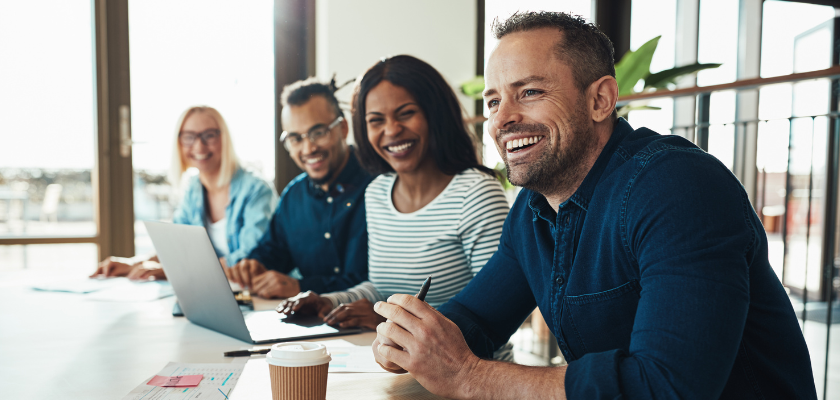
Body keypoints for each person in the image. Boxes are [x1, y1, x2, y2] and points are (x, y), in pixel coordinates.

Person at [369, 11, 817, 400]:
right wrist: (415, 338)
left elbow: (669, 388)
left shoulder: (677, 186)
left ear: (600, 99)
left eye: (529, 92)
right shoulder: (532, 210)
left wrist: (467, 375)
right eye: (492, 101)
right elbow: (476, 319)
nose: (502, 119)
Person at [276, 56, 510, 348]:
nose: (391, 130)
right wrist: (326, 301)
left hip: (468, 379)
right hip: (396, 367)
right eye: (376, 120)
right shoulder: (377, 193)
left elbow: (494, 315)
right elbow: (380, 289)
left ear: (434, 115)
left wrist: (390, 324)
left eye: (406, 113)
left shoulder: (476, 194)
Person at [224, 78, 375, 299]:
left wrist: (302, 287)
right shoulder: (294, 196)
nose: (308, 148)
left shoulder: (380, 187)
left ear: (343, 128)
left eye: (318, 133)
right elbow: (273, 251)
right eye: (295, 138)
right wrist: (254, 265)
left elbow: (379, 283)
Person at [91, 106, 274, 281]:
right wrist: (134, 263)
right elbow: (177, 246)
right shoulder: (193, 188)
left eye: (209, 136)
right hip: (214, 291)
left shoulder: (256, 190)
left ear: (224, 139)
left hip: (257, 293)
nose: (199, 146)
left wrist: (174, 271)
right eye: (189, 137)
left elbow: (250, 260)